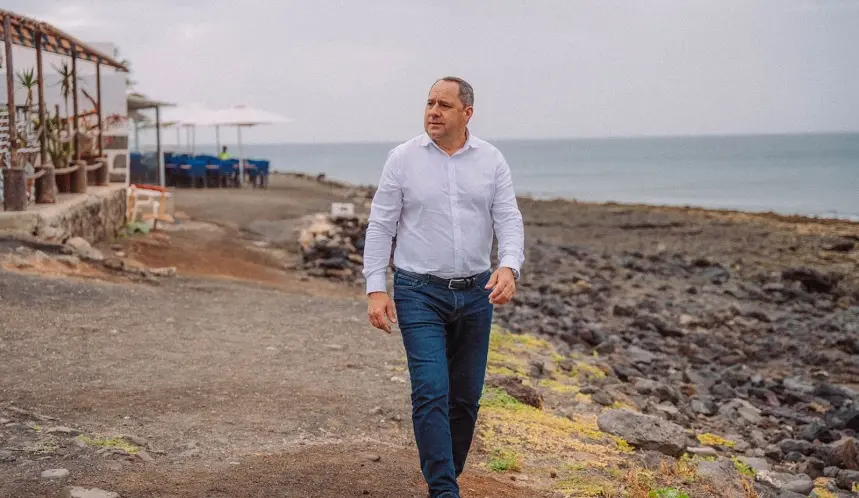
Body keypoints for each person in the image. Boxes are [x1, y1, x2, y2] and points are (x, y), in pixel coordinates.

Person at [362, 76, 525, 498]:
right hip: (418, 292)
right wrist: (375, 287)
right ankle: (443, 490)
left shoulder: (491, 160)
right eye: (429, 103)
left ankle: (446, 475)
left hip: (476, 294)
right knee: (432, 389)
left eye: (444, 105)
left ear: (466, 113)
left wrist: (509, 267)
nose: (433, 111)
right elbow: (381, 225)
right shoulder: (403, 159)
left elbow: (508, 218)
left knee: (465, 399)